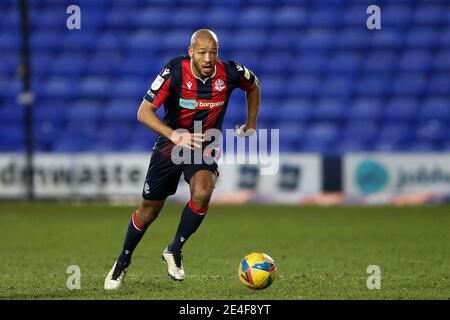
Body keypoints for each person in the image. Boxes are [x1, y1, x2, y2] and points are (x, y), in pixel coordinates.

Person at [104, 29, 260, 289]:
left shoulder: (230, 72)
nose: (208, 58)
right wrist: (173, 135)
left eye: (213, 52)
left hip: (203, 143)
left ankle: (174, 249)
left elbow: (253, 85)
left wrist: (251, 122)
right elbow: (144, 112)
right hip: (170, 143)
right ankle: (122, 261)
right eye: (202, 52)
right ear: (191, 53)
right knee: (148, 212)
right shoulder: (175, 71)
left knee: (203, 190)